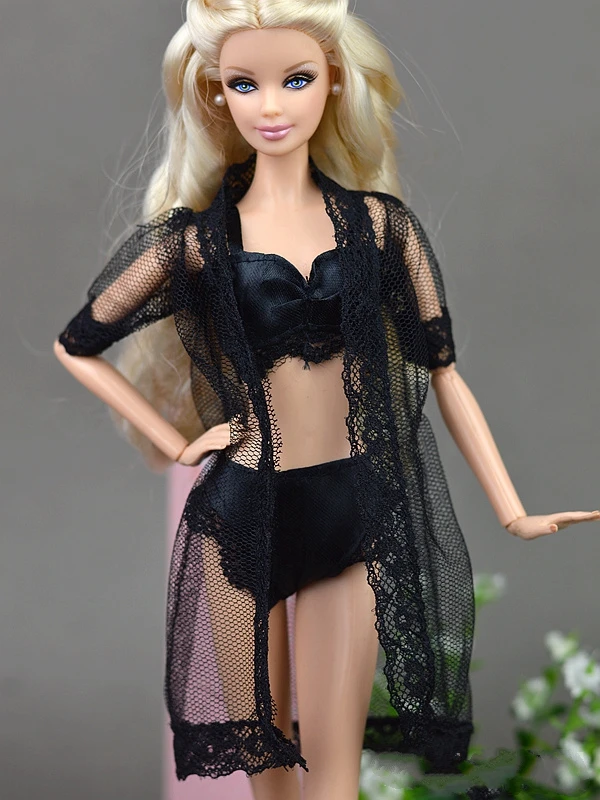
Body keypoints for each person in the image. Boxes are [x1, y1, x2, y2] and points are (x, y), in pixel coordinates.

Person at [53, 2, 600, 798]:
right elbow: (77, 344)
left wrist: (512, 509)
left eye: (296, 79)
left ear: (334, 81)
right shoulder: (197, 243)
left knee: (332, 781)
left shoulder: (382, 230)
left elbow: (443, 372)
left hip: (348, 508)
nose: (271, 106)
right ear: (216, 94)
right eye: (245, 84)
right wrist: (177, 442)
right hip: (240, 511)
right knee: (267, 779)